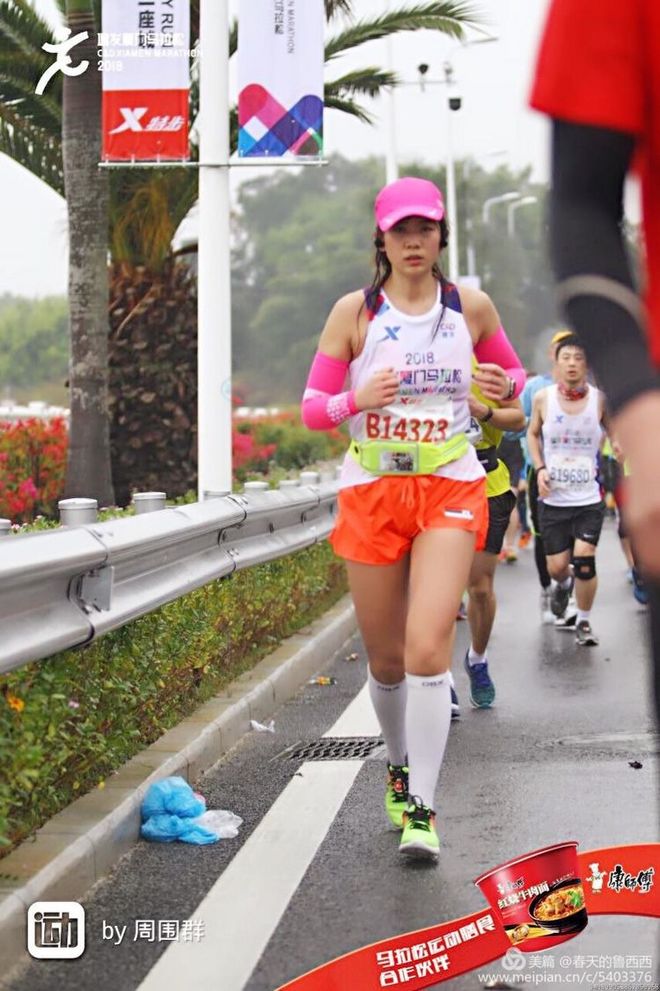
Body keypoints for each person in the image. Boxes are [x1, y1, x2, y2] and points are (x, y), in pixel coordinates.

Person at [301, 176, 524, 860]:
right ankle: (397, 764)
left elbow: (515, 401)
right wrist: (355, 397)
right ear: (382, 239)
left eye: (424, 229)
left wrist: (491, 403)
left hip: (449, 487)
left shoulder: (471, 309)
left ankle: (423, 807)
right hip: (372, 489)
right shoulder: (355, 314)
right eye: (401, 231)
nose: (414, 242)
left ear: (440, 234)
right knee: (388, 659)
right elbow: (312, 408)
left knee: (430, 648)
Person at [530, 0, 660, 713]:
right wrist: (639, 408)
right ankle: (564, 597)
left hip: (588, 486)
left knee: (581, 560)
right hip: (582, 479)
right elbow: (582, 207)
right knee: (568, 562)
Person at [527, 335, 607, 646]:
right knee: (558, 567)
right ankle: (562, 586)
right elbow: (533, 434)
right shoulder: (542, 399)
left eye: (579, 358)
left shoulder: (600, 400)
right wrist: (540, 467)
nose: (572, 363)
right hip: (553, 498)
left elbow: (616, 429)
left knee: (585, 562)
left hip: (588, 497)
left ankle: (584, 622)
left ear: (587, 365)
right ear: (557, 363)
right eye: (567, 357)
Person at [455, 362, 525, 713]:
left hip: (487, 485)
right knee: (440, 589)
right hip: (434, 485)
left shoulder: (486, 368)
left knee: (479, 588)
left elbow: (519, 419)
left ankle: (477, 659)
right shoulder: (412, 360)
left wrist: (482, 410)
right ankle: (439, 679)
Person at [520, 330, 573, 623]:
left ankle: (569, 590)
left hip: (577, 477)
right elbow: (520, 425)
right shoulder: (535, 389)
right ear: (553, 355)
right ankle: (548, 589)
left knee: (576, 534)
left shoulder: (588, 392)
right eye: (561, 350)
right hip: (540, 473)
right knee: (543, 534)